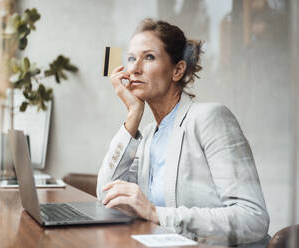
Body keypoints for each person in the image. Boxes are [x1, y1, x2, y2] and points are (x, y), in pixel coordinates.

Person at [96, 18, 270, 247]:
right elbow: (106, 194)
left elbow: (253, 219)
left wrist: (155, 213)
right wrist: (133, 114)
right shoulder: (148, 136)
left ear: (177, 70)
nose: (135, 68)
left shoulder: (210, 118)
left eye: (149, 57)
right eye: (131, 58)